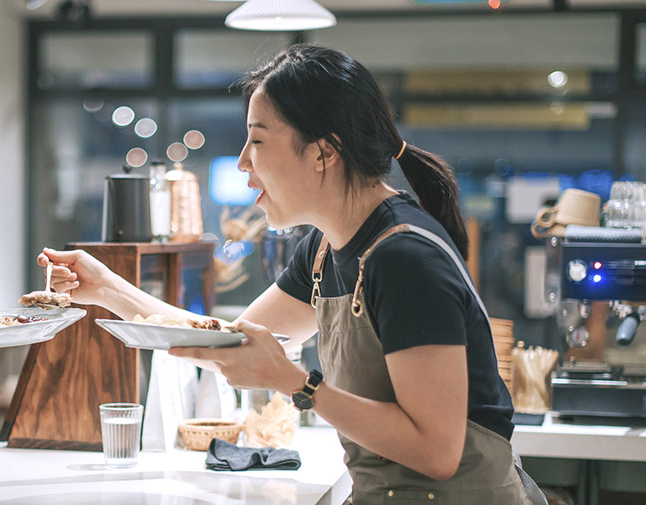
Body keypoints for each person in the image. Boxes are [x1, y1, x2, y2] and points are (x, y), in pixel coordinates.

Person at [38, 44, 544, 505]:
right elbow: (232, 345)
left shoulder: (404, 257)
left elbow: (437, 452)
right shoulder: (324, 250)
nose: (241, 162)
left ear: (324, 152)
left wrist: (299, 385)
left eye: (257, 141)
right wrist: (106, 288)